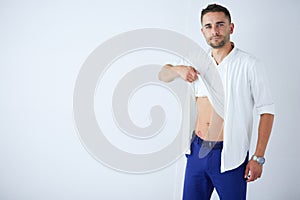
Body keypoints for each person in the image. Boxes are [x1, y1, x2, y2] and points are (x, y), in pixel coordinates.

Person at [158, 4, 275, 200]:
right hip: (197, 152)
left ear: (231, 28)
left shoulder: (249, 64)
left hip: (230, 155)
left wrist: (258, 157)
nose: (215, 31)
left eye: (220, 24)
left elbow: (267, 110)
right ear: (202, 31)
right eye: (208, 26)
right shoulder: (196, 61)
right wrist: (179, 69)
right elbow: (163, 74)